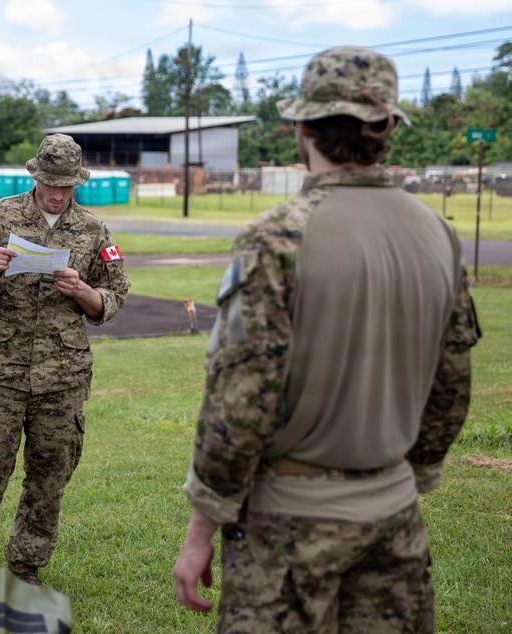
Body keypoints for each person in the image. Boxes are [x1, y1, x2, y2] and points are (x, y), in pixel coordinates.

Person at [172, 47, 481, 632]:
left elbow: (242, 401)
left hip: (287, 533)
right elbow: (452, 384)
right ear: (387, 129)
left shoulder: (276, 236)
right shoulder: (437, 233)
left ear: (302, 127)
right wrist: (406, 480)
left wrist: (201, 529)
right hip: (396, 526)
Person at [0, 134, 130, 585]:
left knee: (48, 483)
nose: (57, 194)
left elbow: (114, 295)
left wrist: (83, 291)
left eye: (66, 185)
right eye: (49, 183)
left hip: (62, 379)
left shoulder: (95, 230)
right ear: (34, 175)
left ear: (78, 180)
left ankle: (24, 573)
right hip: (0, 375)